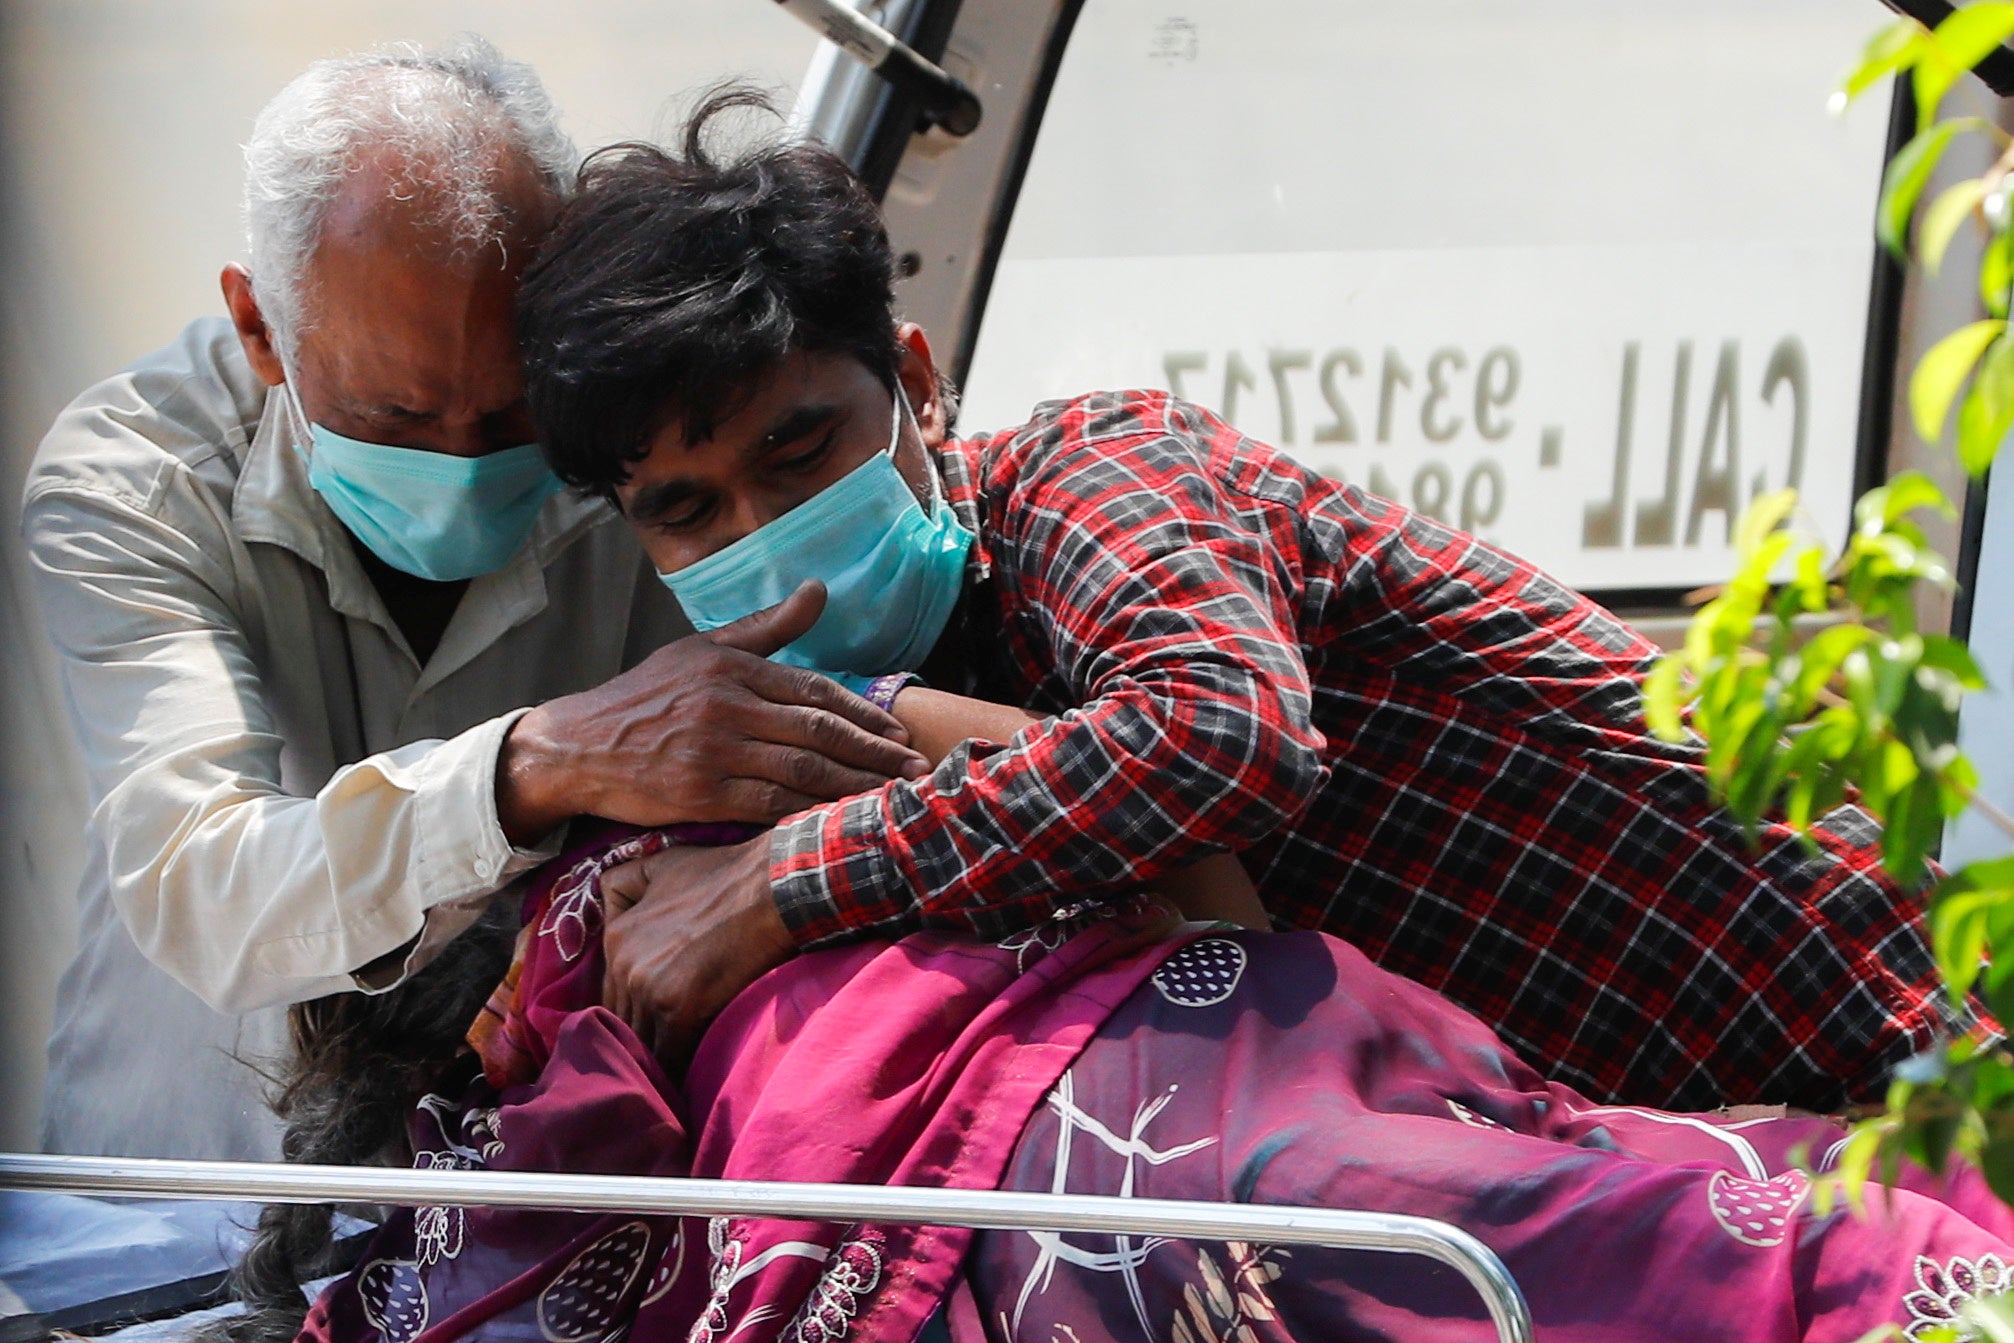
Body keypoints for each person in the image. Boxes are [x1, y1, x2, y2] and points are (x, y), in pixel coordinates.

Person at [511, 90, 1977, 1114]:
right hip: (1633, 1151)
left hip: (1878, 1060)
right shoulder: (877, 699)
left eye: (799, 449)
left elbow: (1220, 733)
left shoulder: (1095, 474)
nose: (771, 535)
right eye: (689, 512)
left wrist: (781, 881)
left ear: (916, 380)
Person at [223, 697, 2014, 1343]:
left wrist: (802, 860)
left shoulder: (642, 848)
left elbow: (546, 1254)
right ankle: (1901, 1252)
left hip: (1094, 1084)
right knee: (1477, 1190)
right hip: (1118, 1074)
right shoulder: (550, 1010)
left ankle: (1901, 1276)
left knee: (1402, 1204)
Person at [19, 47, 927, 1161]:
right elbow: (202, 885)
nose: (460, 464)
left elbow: (852, 718)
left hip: (525, 1183)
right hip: (179, 1187)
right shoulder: (137, 483)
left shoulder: (637, 448)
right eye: (396, 417)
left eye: (510, 421)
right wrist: (537, 766)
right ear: (262, 332)